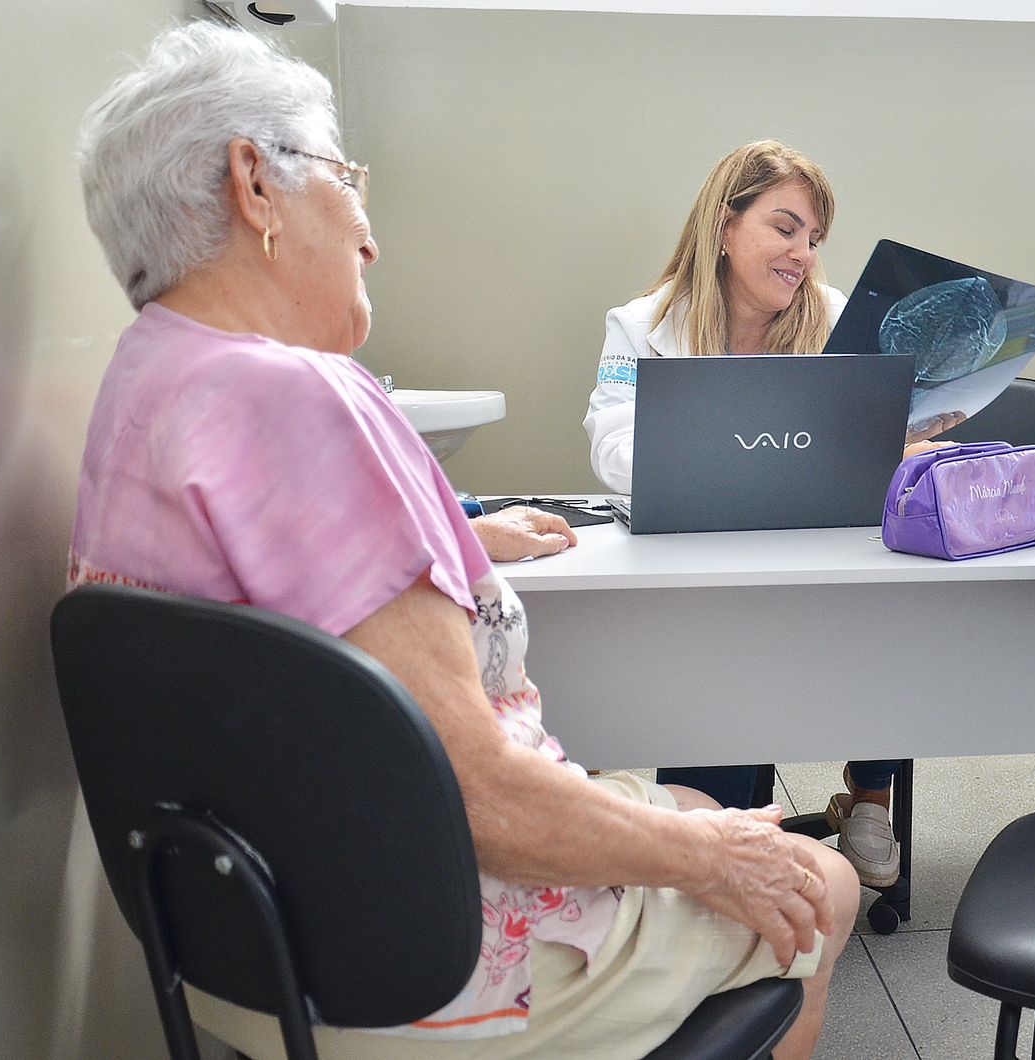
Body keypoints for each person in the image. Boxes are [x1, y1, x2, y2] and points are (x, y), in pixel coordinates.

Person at [71, 24, 856, 1060]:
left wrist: (461, 533)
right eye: (345, 179)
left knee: (696, 798)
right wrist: (713, 861)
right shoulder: (309, 396)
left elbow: (275, 606)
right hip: (414, 960)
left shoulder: (144, 380)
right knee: (821, 879)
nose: (368, 237)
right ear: (254, 183)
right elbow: (482, 795)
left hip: (230, 935)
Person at [582, 140, 922, 891]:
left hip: (821, 555)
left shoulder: (837, 318)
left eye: (814, 238)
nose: (803, 253)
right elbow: (610, 448)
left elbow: (867, 441)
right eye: (785, 227)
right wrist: (730, 438)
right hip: (703, 567)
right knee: (725, 671)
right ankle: (718, 837)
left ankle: (871, 794)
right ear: (725, 225)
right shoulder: (642, 324)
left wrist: (905, 432)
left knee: (897, 610)